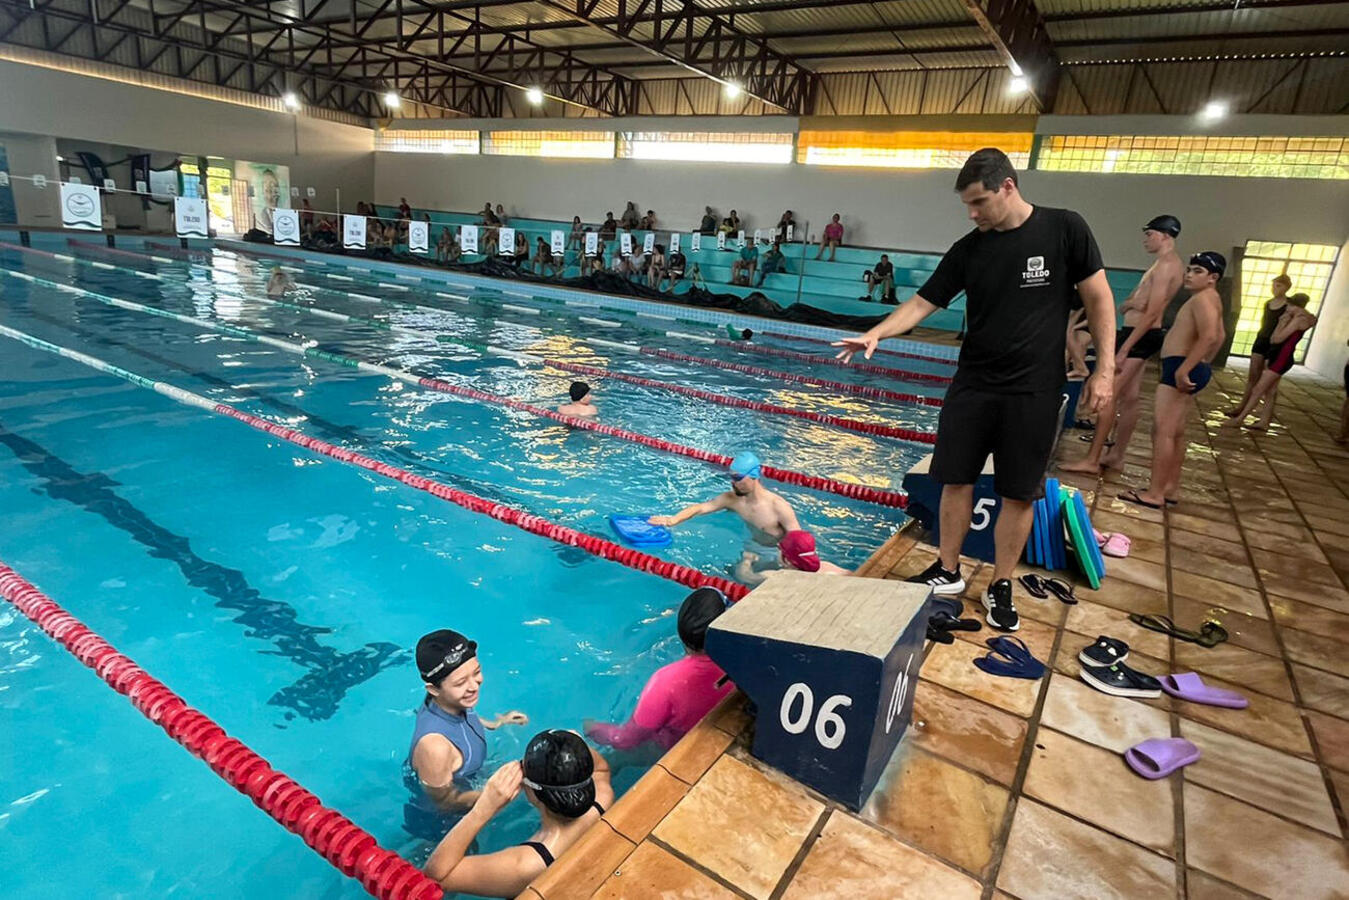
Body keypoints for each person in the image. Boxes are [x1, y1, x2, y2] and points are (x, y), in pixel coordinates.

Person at [834, 148, 1114, 632]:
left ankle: (1002, 582)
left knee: (1018, 493)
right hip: (973, 385)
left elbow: (1099, 296)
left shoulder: (1065, 228)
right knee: (954, 479)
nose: (973, 213)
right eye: (967, 205)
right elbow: (925, 301)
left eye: (980, 201)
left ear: (1008, 186)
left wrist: (1104, 368)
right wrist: (878, 332)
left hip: (1034, 390)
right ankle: (947, 571)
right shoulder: (971, 247)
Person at [1062, 215, 1184, 475]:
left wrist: (1126, 347)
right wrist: (1130, 305)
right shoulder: (1162, 264)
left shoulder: (1166, 266)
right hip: (1140, 334)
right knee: (1130, 398)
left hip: (1140, 336)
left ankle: (1092, 460)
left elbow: (1151, 313)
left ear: (1165, 235)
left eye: (1149, 234)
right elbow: (1128, 304)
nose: (1145, 240)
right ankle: (1116, 455)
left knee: (1108, 397)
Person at [424, 731, 613, 898]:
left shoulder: (526, 865)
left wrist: (483, 809)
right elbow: (601, 768)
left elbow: (435, 877)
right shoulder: (602, 799)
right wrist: (572, 747)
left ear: (533, 793)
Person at [1120, 253, 1228, 509]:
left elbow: (1210, 336)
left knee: (1163, 431)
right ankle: (1170, 488)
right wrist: (1203, 364)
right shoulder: (1211, 299)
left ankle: (1155, 493)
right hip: (1186, 366)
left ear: (1213, 278)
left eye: (1198, 271)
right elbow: (1220, 336)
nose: (1189, 274)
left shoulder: (1203, 300)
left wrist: (1186, 369)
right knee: (1176, 432)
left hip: (1180, 367)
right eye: (1189, 269)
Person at [402, 630, 529, 839]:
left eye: (476, 672)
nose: (474, 686)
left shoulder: (453, 701)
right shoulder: (434, 747)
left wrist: (499, 722)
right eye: (461, 683)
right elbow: (444, 802)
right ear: (433, 689)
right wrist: (495, 796)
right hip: (440, 826)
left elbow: (465, 720)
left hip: (470, 783)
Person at [586, 587, 734, 752]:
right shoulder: (744, 662)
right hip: (725, 735)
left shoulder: (666, 682)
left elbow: (626, 739)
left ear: (681, 631)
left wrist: (591, 728)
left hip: (677, 751)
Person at [649, 452, 801, 559]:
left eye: (737, 478)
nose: (732, 483)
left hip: (777, 555)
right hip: (750, 549)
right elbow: (700, 507)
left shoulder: (779, 507)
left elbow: (800, 542)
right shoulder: (732, 499)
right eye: (731, 477)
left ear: (754, 476)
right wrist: (673, 520)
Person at [1226, 293, 1317, 432]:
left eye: (1289, 306)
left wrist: (1281, 323)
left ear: (1297, 307)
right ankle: (1264, 422)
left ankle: (1240, 419)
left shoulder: (1298, 319)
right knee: (1270, 391)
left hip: (1281, 358)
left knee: (1258, 389)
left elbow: (1277, 339)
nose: (1287, 309)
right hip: (1279, 356)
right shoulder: (1305, 317)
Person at [1229, 273, 1293, 420]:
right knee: (1253, 376)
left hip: (1275, 344)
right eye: (1273, 285)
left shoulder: (1289, 306)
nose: (1274, 288)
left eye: (1278, 286)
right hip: (1261, 340)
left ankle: (1264, 416)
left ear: (1286, 288)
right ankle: (1242, 406)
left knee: (1268, 384)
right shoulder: (1268, 303)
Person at [736, 529, 849, 585]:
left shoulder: (775, 576)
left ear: (786, 560)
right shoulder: (828, 568)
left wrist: (747, 560)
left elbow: (745, 576)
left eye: (780, 549)